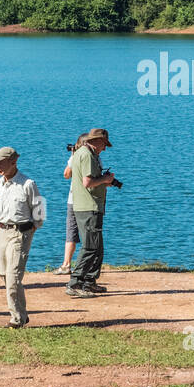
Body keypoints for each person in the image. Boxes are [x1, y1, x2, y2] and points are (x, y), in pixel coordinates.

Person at [0, 146, 45, 327]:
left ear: (13, 162)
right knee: (4, 274)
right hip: (1, 232)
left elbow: (39, 210)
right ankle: (22, 313)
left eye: (1, 163)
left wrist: (31, 229)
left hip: (20, 233)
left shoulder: (28, 184)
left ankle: (17, 319)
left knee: (13, 277)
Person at [65, 127, 118, 298]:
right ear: (96, 141)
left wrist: (104, 182)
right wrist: (106, 179)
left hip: (89, 206)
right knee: (90, 246)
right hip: (88, 207)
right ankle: (75, 283)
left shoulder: (82, 153)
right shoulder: (87, 155)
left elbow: (86, 180)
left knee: (97, 247)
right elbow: (87, 182)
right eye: (104, 144)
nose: (105, 148)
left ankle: (89, 281)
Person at [54, 133, 88, 275]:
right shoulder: (94, 159)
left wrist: (73, 158)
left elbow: (66, 174)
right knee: (82, 234)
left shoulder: (77, 158)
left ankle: (67, 264)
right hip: (84, 201)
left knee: (72, 232)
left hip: (76, 200)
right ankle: (74, 264)